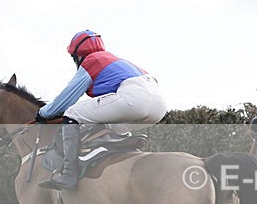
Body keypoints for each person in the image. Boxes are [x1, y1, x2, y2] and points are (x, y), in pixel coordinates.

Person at [35, 30, 167, 190]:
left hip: (133, 99)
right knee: (109, 124)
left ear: (78, 56)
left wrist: (42, 113)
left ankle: (69, 173)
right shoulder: (119, 61)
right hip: (159, 108)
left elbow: (63, 102)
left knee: (72, 113)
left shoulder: (92, 60)